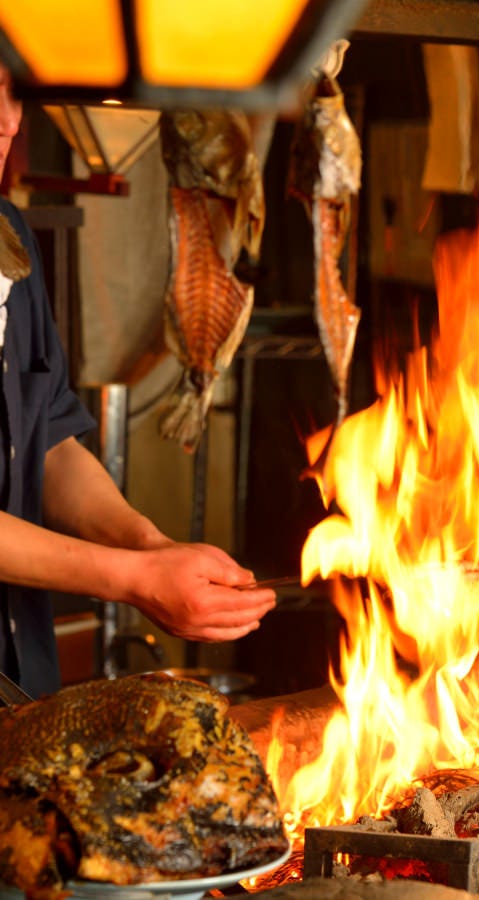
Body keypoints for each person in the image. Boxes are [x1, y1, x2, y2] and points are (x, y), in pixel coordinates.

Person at [0, 61, 276, 698]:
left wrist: (150, 546)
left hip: (22, 686)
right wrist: (131, 579)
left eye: (17, 94)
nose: (12, 122)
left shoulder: (10, 237)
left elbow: (53, 442)